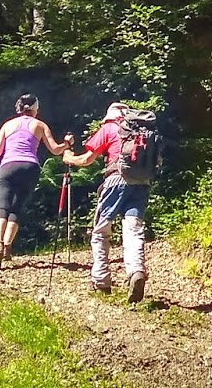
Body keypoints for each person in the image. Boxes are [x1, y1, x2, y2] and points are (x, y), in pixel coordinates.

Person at [63, 102, 151, 302]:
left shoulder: (109, 128)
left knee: (101, 232)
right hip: (142, 183)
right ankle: (136, 271)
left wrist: (69, 158)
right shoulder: (140, 131)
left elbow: (87, 160)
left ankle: (101, 281)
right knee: (133, 229)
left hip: (116, 181)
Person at [0, 93, 71, 270]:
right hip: (29, 167)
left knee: (2, 207)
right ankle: (7, 246)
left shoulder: (7, 125)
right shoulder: (40, 125)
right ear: (34, 109)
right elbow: (55, 150)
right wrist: (66, 143)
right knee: (17, 208)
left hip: (8, 166)